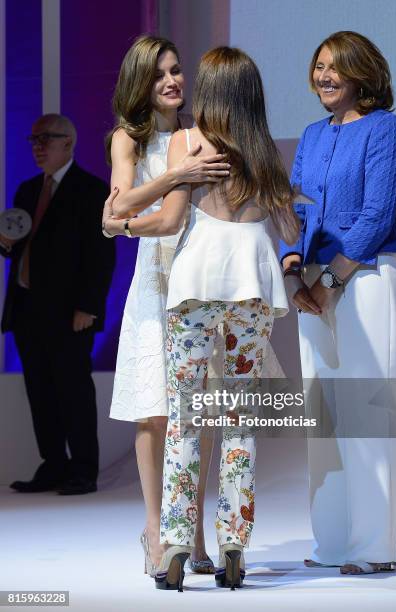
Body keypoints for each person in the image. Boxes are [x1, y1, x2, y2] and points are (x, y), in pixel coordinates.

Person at [104, 46, 300, 591]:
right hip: (253, 291)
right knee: (238, 419)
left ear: (210, 90)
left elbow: (168, 221)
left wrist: (117, 224)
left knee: (185, 422)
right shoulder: (263, 151)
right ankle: (233, 546)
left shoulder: (188, 144)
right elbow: (287, 230)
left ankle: (174, 548)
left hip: (192, 290)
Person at [280, 31, 396, 575]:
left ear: (363, 73)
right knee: (322, 411)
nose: (324, 76)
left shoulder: (385, 128)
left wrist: (328, 284)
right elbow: (293, 207)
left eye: (336, 67)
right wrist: (291, 264)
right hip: (310, 281)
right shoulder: (311, 134)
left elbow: (377, 214)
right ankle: (332, 542)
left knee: (367, 407)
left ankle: (373, 547)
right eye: (319, 66)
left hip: (366, 275)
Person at [104, 35, 231, 575]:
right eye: (159, 74)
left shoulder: (199, 134)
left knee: (196, 413)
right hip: (154, 281)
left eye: (176, 70)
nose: (172, 81)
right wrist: (176, 176)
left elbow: (121, 216)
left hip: (199, 277)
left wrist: (130, 211)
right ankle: (156, 531)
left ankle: (193, 527)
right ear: (141, 83)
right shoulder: (126, 140)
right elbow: (118, 203)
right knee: (154, 412)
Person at [0, 113, 115, 495]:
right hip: (27, 308)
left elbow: (101, 257)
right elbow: (20, 245)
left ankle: (83, 469)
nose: (36, 147)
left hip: (70, 313)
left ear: (68, 142)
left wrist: (88, 306)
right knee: (39, 390)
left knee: (74, 390)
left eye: (44, 139)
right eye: (33, 140)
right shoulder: (26, 190)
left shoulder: (91, 191)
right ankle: (53, 464)